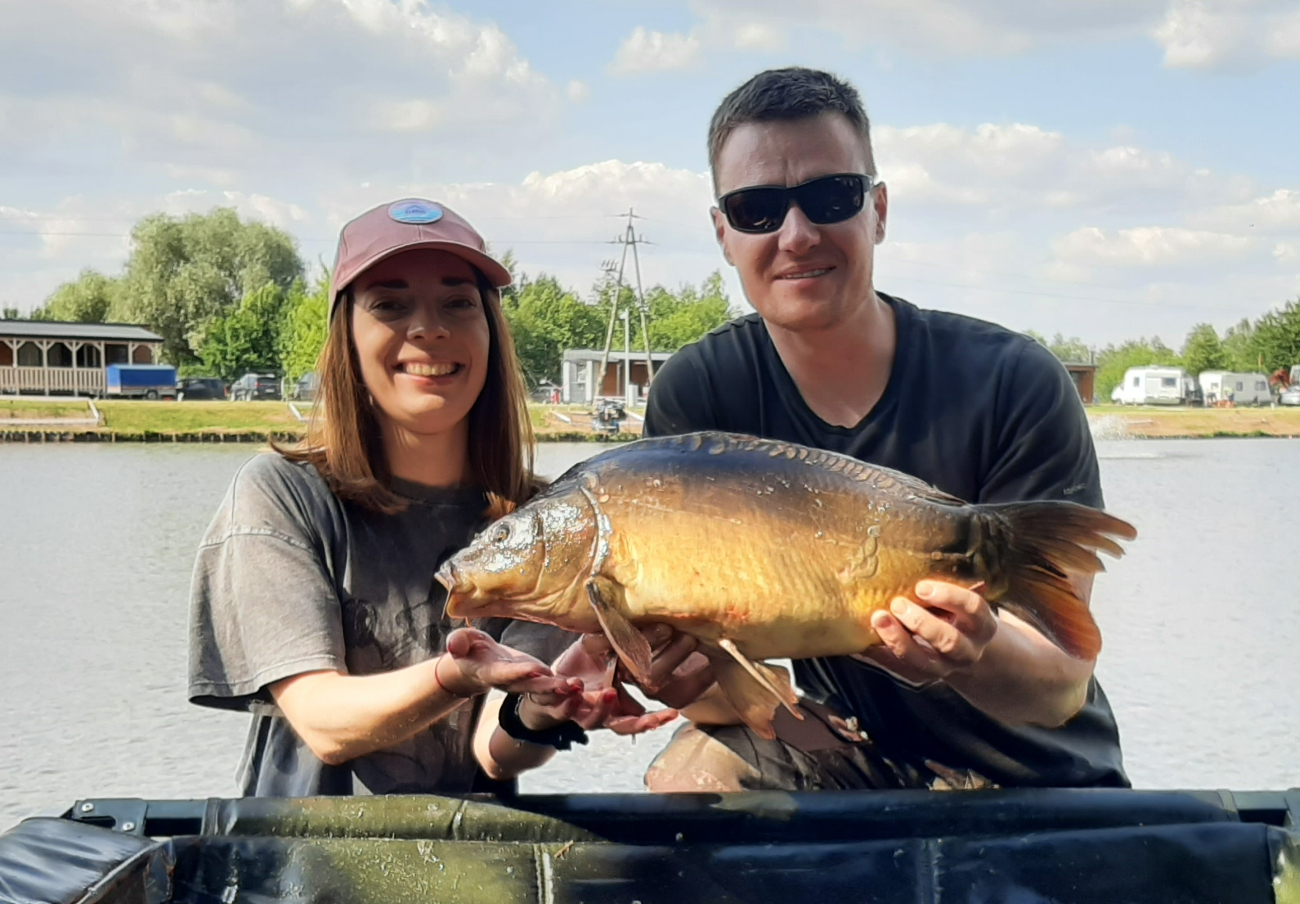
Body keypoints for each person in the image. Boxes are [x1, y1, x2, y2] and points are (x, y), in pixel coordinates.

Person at [639, 68, 1128, 793]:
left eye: (830, 197)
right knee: (689, 776)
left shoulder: (1013, 382)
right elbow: (733, 685)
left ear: (879, 211)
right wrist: (671, 676)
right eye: (756, 209)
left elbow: (1057, 690)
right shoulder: (702, 394)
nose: (796, 235)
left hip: (1037, 777)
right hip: (852, 753)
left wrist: (975, 650)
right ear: (723, 233)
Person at [187, 198, 689, 798]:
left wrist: (544, 704)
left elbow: (493, 752)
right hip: (302, 873)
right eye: (390, 305)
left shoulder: (542, 523)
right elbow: (322, 721)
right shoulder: (282, 494)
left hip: (471, 868)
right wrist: (454, 676)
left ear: (491, 334)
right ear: (346, 338)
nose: (429, 328)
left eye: (458, 302)